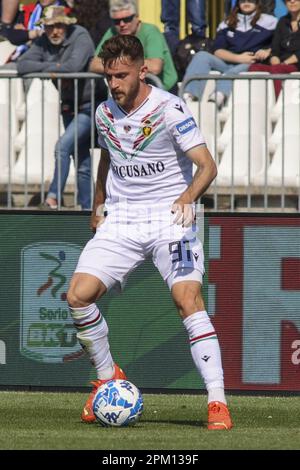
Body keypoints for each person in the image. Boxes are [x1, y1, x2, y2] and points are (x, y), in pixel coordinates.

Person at [67, 34, 233, 430]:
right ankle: (108, 381)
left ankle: (217, 401)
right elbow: (107, 156)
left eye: (122, 75)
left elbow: (207, 165)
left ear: (143, 70)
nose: (115, 84)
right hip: (122, 219)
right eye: (110, 76)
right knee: (77, 296)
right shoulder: (106, 111)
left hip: (169, 218)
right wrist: (98, 205)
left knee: (187, 300)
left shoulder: (170, 109)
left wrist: (188, 197)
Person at [16, 5, 100, 210]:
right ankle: (87, 209)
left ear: (67, 25)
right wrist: (55, 69)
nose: (54, 31)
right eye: (49, 27)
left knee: (62, 147)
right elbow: (22, 65)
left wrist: (49, 69)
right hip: (69, 105)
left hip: (91, 104)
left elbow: (73, 68)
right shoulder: (43, 41)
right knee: (81, 161)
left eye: (59, 26)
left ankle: (52, 198)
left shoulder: (80, 35)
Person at [182, 0, 278, 106]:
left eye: (250, 0)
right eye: (242, 0)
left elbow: (279, 44)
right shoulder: (226, 23)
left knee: (237, 69)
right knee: (201, 56)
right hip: (229, 61)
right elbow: (217, 51)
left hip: (253, 62)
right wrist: (238, 58)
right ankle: (189, 96)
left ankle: (219, 95)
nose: (246, 3)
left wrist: (267, 51)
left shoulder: (270, 21)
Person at [89, 0, 178, 93]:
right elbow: (94, 64)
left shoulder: (151, 31)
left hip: (164, 90)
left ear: (137, 17)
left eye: (127, 19)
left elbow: (155, 67)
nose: (122, 24)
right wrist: (130, 64)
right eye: (117, 21)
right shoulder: (112, 32)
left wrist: (118, 62)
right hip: (134, 93)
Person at [249, 0, 300, 98]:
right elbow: (275, 46)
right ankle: (258, 104)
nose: (292, 1)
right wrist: (274, 57)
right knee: (254, 68)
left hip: (296, 64)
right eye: (288, 0)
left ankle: (279, 105)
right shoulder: (282, 21)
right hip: (281, 64)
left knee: (277, 69)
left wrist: (285, 63)